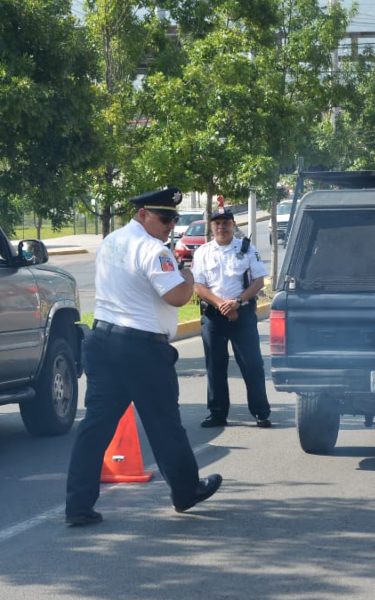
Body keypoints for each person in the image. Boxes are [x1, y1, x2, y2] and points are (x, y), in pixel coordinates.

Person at [65, 187, 222, 526]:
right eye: (164, 218)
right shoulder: (154, 250)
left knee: (95, 427)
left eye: (174, 219)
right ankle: (186, 491)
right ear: (142, 214)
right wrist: (189, 276)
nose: (170, 225)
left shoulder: (111, 241)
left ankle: (77, 506)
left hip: (104, 342)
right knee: (165, 425)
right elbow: (179, 297)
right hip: (141, 350)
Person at [192, 207, 272, 429]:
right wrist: (222, 305)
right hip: (214, 316)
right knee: (215, 366)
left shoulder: (247, 249)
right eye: (217, 223)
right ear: (211, 227)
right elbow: (198, 285)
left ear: (233, 225)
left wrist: (237, 302)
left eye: (226, 222)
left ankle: (261, 412)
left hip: (242, 315)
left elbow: (258, 281)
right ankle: (217, 413)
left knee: (252, 364)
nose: (221, 227)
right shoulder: (202, 252)